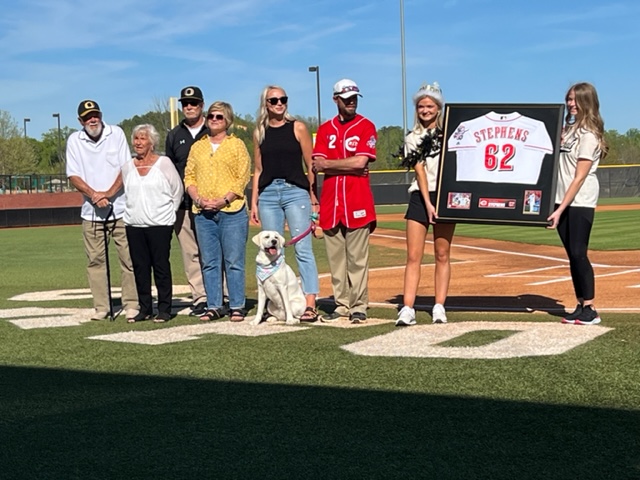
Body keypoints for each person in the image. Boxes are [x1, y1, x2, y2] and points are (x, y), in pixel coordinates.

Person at [250, 85, 320, 322]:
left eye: (283, 99)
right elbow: (258, 169)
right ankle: (277, 305)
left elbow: (311, 165)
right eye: (273, 100)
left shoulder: (298, 127)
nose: (279, 103)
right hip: (268, 194)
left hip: (295, 192)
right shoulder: (259, 131)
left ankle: (310, 303)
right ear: (266, 104)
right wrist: (254, 202)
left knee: (303, 249)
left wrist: (313, 197)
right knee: (272, 251)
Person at [66, 100, 139, 320]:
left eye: (95, 114)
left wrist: (107, 193)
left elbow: (125, 169)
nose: (92, 119)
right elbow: (73, 175)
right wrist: (94, 195)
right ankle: (102, 307)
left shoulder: (115, 133)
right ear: (81, 121)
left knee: (129, 259)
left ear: (101, 115)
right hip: (91, 212)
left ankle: (132, 303)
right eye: (87, 117)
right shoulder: (74, 141)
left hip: (121, 210)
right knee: (95, 261)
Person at [312, 79, 377, 324]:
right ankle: (341, 304)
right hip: (331, 202)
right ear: (335, 99)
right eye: (346, 97)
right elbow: (317, 164)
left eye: (354, 98)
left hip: (357, 200)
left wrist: (330, 164)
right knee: (336, 261)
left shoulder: (366, 126)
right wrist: (343, 165)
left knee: (357, 259)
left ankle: (359, 305)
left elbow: (360, 162)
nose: (351, 102)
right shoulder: (325, 128)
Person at [184, 101, 251, 322]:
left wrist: (224, 200)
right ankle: (213, 305)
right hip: (203, 212)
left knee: (233, 260)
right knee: (210, 261)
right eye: (211, 115)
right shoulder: (198, 146)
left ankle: (237, 305)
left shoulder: (237, 145)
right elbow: (189, 177)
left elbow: (242, 177)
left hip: (231, 210)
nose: (214, 119)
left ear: (227, 120)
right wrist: (199, 199)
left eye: (219, 117)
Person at [548, 82, 607, 325]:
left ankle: (591, 309)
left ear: (587, 102)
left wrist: (560, 210)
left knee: (578, 252)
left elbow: (579, 176)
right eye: (569, 99)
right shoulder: (568, 131)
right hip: (560, 198)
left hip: (579, 200)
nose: (570, 104)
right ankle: (581, 303)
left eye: (575, 99)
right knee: (571, 255)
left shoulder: (589, 135)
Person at [396, 82, 455, 326]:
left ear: (438, 108)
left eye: (430, 105)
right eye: (421, 106)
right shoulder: (413, 138)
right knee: (413, 256)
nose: (425, 110)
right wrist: (429, 204)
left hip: (445, 197)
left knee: (442, 254)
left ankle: (439, 306)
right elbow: (419, 172)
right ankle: (407, 308)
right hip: (421, 197)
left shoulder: (451, 134)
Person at [122, 124, 183, 323]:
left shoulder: (164, 163)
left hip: (160, 224)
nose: (138, 142)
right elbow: (127, 193)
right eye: (136, 138)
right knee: (140, 268)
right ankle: (145, 308)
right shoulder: (127, 166)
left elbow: (177, 190)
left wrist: (168, 213)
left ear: (152, 142)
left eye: (142, 138)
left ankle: (165, 309)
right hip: (134, 224)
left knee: (160, 267)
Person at [165, 86, 208, 316]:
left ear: (202, 104)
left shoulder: (213, 129)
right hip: (183, 204)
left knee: (212, 250)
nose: (189, 107)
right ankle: (200, 296)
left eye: (193, 102)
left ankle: (221, 294)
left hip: (211, 203)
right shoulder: (174, 135)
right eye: (185, 103)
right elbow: (169, 171)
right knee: (190, 253)